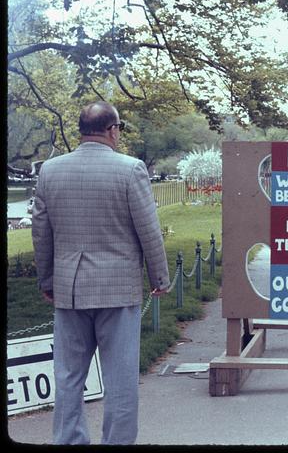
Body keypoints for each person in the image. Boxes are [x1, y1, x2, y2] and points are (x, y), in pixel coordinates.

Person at [32, 101, 170, 445]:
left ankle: (68, 441)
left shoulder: (50, 170)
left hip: (70, 290)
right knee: (120, 381)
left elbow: (40, 231)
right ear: (113, 130)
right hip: (118, 290)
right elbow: (148, 230)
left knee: (67, 378)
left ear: (82, 130)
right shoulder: (130, 169)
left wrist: (47, 279)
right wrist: (160, 278)